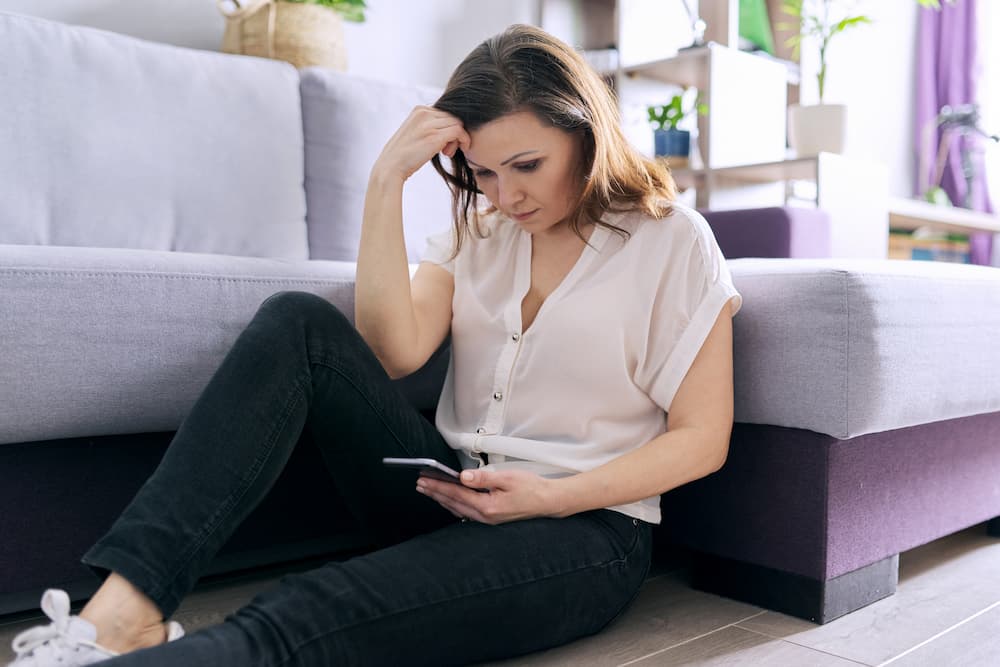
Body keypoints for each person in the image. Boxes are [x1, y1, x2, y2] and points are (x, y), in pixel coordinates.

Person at [8, 23, 741, 667]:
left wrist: (551, 494)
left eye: (526, 166)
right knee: (298, 322)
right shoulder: (478, 234)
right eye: (481, 172)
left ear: (584, 132)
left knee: (315, 608)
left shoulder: (671, 240)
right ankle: (120, 613)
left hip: (580, 530)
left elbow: (702, 438)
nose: (504, 195)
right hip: (449, 489)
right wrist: (385, 180)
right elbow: (391, 354)